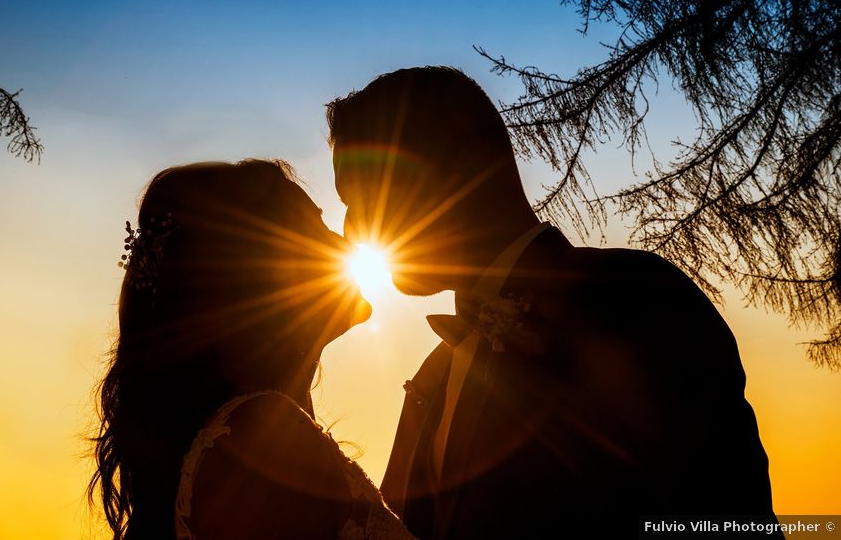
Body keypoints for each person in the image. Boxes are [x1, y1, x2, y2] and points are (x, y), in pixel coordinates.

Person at [327, 67, 779, 538]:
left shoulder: (634, 298)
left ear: (458, 154)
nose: (352, 229)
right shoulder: (432, 376)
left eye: (364, 193)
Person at [89, 160, 417, 540]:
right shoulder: (262, 449)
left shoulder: (250, 432)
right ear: (267, 275)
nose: (345, 242)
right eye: (317, 229)